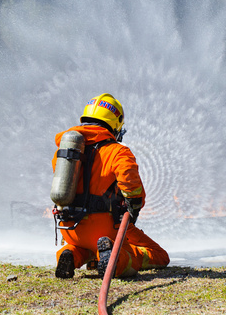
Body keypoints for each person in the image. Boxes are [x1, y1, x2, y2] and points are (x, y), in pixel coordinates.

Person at [52, 93, 170, 278]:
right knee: (159, 256)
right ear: (115, 124)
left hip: (71, 229)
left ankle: (69, 254)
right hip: (106, 227)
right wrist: (134, 210)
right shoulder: (118, 152)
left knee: (89, 247)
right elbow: (132, 188)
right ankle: (117, 262)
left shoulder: (66, 151)